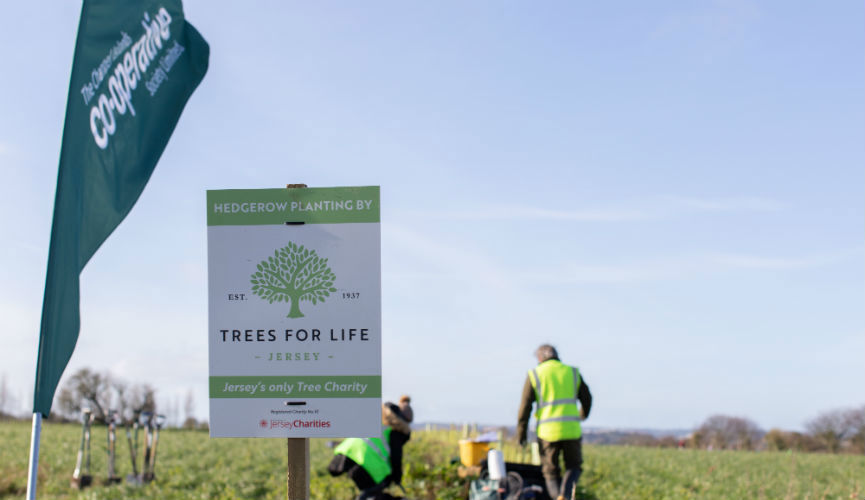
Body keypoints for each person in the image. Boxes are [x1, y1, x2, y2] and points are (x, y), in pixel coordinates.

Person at [516, 345, 592, 500]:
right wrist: (582, 415)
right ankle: (565, 494)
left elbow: (525, 408)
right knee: (574, 466)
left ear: (539, 358)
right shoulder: (572, 372)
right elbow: (587, 398)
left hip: (547, 432)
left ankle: (558, 496)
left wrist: (521, 435)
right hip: (571, 429)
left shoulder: (535, 374)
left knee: (550, 471)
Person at [328, 396, 413, 500]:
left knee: (368, 491)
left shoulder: (378, 418)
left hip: (346, 451)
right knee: (375, 489)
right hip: (366, 462)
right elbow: (396, 458)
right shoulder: (395, 431)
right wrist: (397, 478)